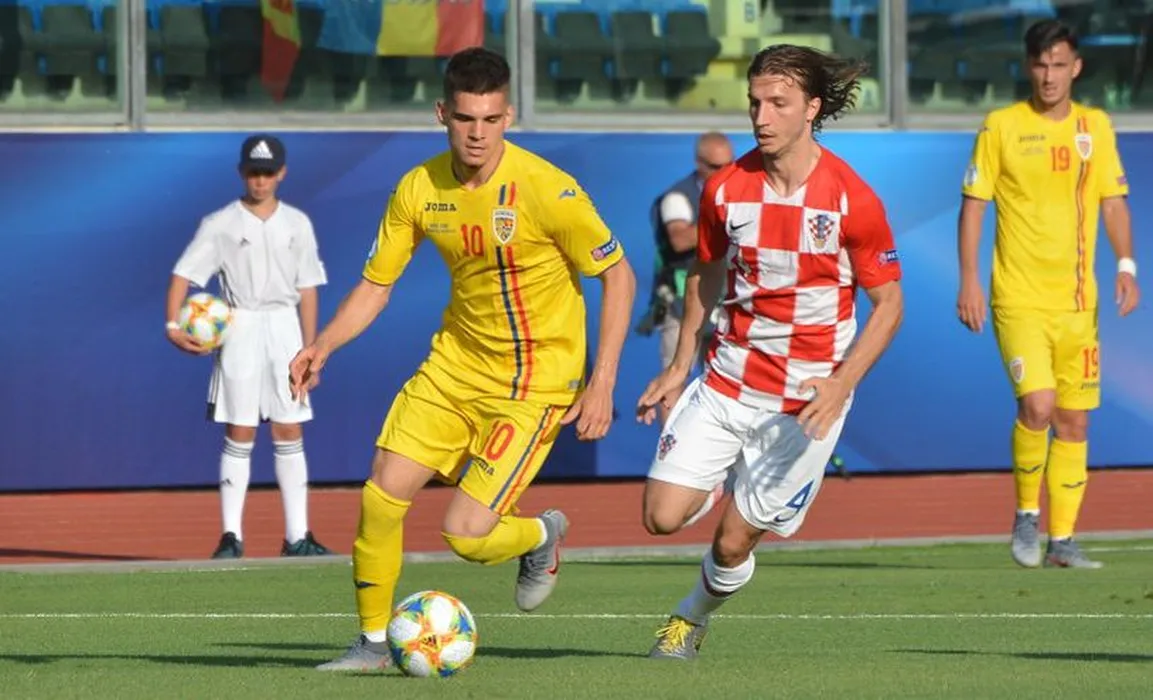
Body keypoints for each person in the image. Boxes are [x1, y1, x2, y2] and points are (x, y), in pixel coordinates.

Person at [289, 47, 636, 672]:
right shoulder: (419, 188)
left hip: (533, 385)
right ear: (442, 114)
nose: (478, 133)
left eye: (491, 119)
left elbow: (619, 275)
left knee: (465, 536)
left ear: (509, 117)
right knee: (380, 494)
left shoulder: (547, 189)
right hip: (453, 369)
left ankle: (541, 534)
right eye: (466, 118)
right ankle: (371, 644)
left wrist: (602, 379)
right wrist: (324, 345)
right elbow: (376, 285)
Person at [635, 44, 904, 660]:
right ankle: (718, 473)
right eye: (755, 102)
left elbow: (889, 305)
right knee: (660, 517)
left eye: (778, 103)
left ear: (811, 108)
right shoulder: (725, 190)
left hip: (804, 405)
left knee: (731, 545)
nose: (761, 116)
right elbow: (705, 275)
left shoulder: (852, 199)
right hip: (727, 382)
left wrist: (840, 385)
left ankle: (689, 618)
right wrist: (678, 367)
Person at [956, 19, 1139, 570]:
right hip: (1018, 298)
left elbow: (1112, 201)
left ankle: (1063, 540)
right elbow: (974, 205)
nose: (1049, 75)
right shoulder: (1002, 127)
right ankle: (1025, 515)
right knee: (1037, 405)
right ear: (1027, 67)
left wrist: (1126, 265)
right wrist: (969, 279)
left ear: (1076, 67)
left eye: (1059, 65)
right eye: (1041, 65)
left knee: (1075, 421)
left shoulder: (1094, 126)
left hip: (1078, 304)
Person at [166, 134, 333, 560]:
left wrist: (311, 349)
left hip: (284, 326)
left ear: (282, 173)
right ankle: (230, 536)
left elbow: (308, 288)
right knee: (239, 429)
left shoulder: (297, 223)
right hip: (239, 324)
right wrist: (173, 325)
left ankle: (297, 536)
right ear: (242, 173)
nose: (261, 181)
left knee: (289, 426)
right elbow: (184, 272)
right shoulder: (220, 223)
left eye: (268, 173)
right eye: (254, 172)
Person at [638, 132, 734, 423]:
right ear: (698, 163)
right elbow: (679, 239)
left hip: (726, 303)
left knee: (726, 382)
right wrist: (728, 217)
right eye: (716, 167)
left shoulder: (737, 192)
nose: (724, 173)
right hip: (681, 305)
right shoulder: (678, 197)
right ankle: (670, 443)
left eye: (729, 165)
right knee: (673, 379)